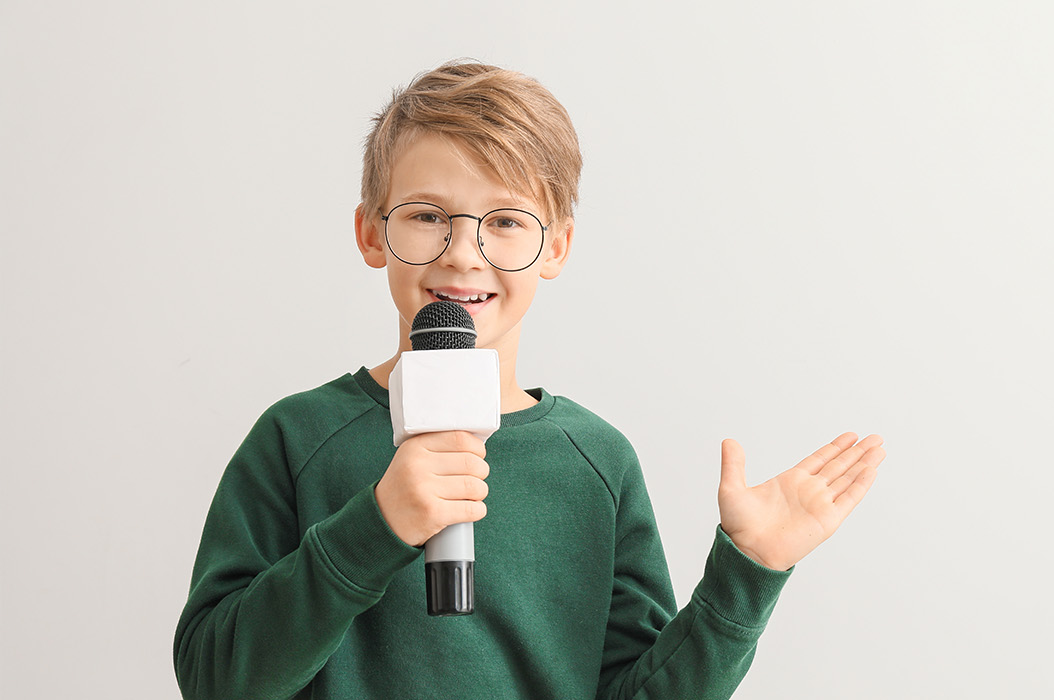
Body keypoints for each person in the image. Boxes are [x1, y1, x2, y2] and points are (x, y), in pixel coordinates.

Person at [172, 59, 886, 700]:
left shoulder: (597, 464)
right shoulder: (296, 440)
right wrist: (377, 526)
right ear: (370, 232)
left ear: (557, 247)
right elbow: (215, 681)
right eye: (427, 216)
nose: (463, 254)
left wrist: (748, 574)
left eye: (506, 222)